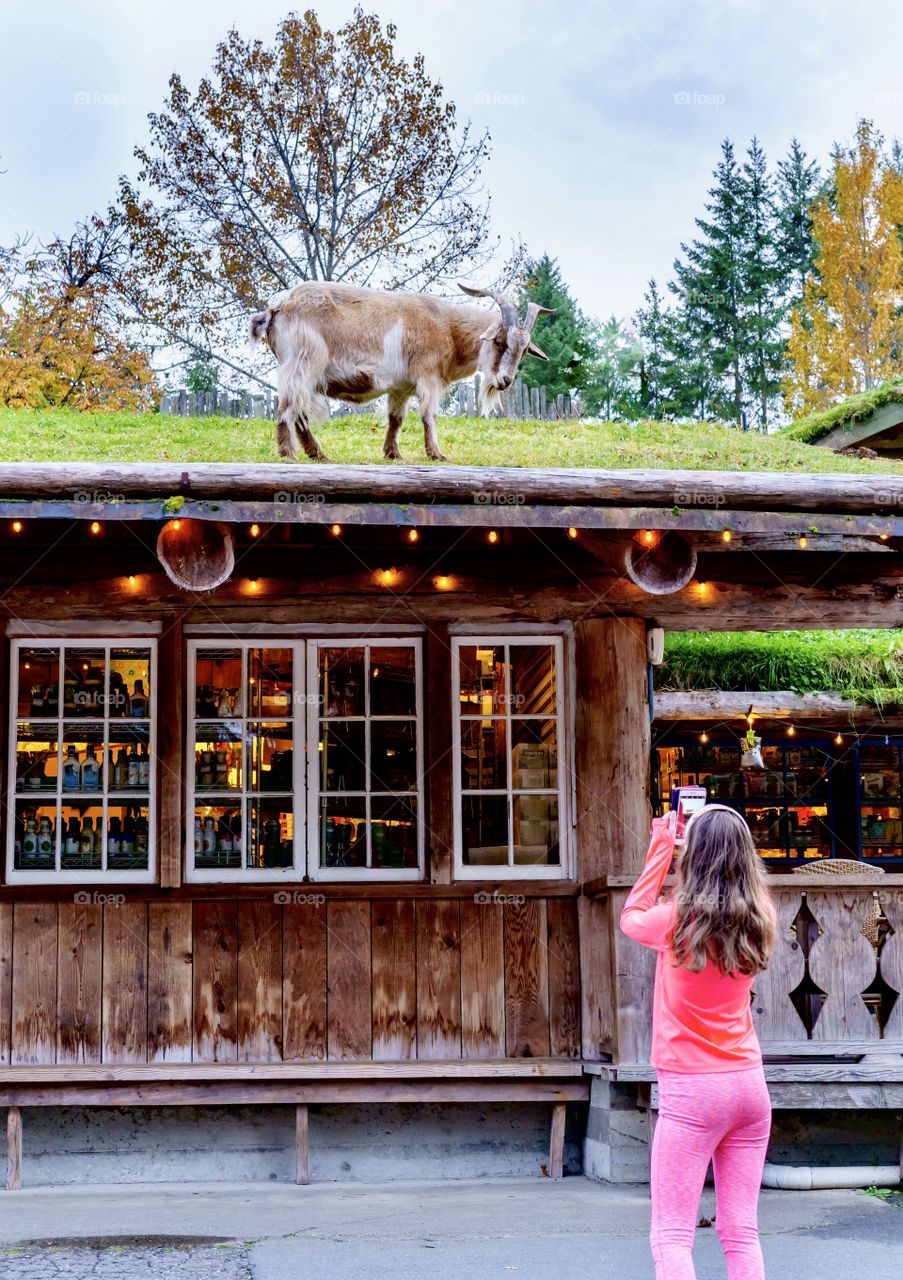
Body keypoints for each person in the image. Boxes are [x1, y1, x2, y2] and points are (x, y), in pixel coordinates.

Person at [620, 804, 776, 1280]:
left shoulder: (674, 923)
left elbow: (631, 916)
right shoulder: (761, 917)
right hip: (749, 1088)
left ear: (696, 857)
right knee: (741, 1233)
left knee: (671, 1234)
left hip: (693, 1092)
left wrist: (662, 847)